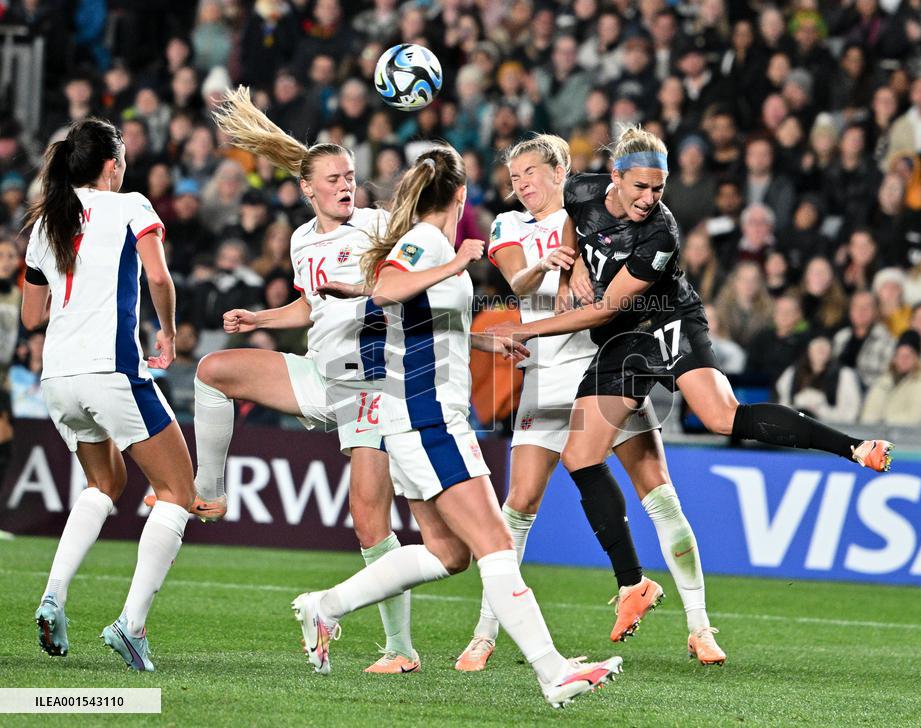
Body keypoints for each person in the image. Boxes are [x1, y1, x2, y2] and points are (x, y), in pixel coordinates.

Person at [486, 126, 893, 652]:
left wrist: (523, 330)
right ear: (615, 178)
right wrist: (571, 272)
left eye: (658, 189)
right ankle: (634, 583)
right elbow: (572, 230)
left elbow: (608, 305)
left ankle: (853, 447)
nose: (649, 199)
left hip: (666, 320)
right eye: (640, 188)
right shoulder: (581, 190)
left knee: (722, 416)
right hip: (620, 342)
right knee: (580, 456)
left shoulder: (661, 233)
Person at [291, 145, 622, 708]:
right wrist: (458, 262)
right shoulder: (430, 241)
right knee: (495, 544)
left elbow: (404, 309)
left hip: (413, 416)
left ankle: (323, 607)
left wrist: (482, 338)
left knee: (449, 554)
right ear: (462, 197)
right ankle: (553, 671)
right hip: (428, 419)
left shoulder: (425, 243)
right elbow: (393, 287)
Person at [149, 87, 419, 675]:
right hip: (319, 375)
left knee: (370, 522)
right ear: (307, 189)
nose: (346, 185)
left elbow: (420, 259)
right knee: (214, 370)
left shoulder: (378, 226)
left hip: (370, 384)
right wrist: (260, 318)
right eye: (334, 178)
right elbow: (310, 305)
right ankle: (211, 491)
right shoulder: (301, 240)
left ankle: (401, 650)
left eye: (350, 175)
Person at [456, 134, 715, 672]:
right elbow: (513, 277)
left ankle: (700, 626)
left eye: (530, 172)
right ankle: (484, 635)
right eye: (514, 178)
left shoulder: (591, 209)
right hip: (544, 377)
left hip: (606, 367)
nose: (521, 184)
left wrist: (578, 266)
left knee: (660, 493)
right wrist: (546, 266)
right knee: (518, 507)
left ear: (559, 172)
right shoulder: (510, 226)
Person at [22, 118, 194, 671]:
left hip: (58, 378)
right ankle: (131, 625)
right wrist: (166, 331)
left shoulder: (47, 222)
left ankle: (54, 595)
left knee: (107, 480)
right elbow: (160, 278)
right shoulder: (130, 206)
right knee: (177, 490)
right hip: (112, 369)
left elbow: (30, 316)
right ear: (112, 165)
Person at [860, 331, 921, 425]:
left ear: (917, 358)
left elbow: (916, 419)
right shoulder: (884, 381)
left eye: (907, 356)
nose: (903, 360)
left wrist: (885, 424)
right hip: (878, 435)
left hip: (907, 436)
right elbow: (869, 412)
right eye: (899, 355)